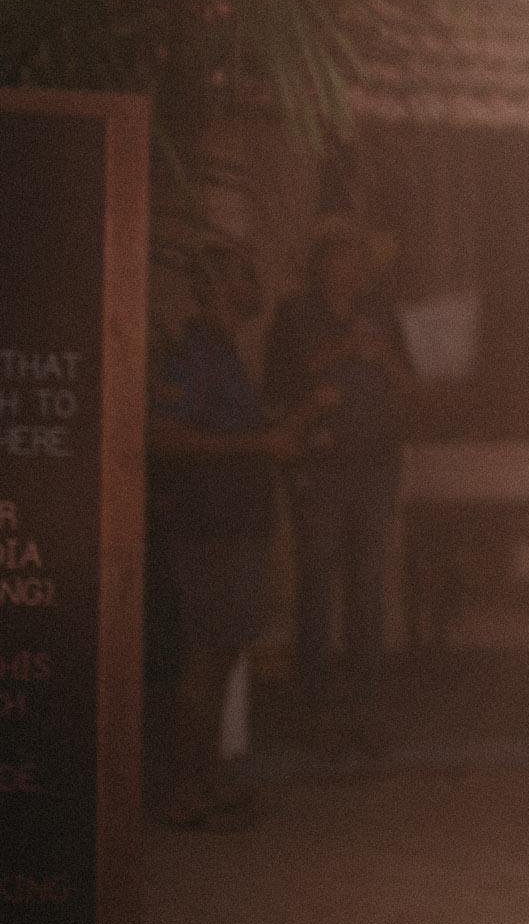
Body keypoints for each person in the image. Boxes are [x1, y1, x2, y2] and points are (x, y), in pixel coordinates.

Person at [146, 241, 318, 829]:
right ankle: (180, 791)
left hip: (236, 523)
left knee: (221, 658)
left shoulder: (226, 354)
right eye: (244, 276)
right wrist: (258, 445)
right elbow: (162, 434)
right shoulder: (194, 355)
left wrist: (284, 425)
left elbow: (236, 431)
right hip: (208, 527)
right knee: (204, 659)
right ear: (216, 285)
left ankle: (204, 783)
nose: (254, 284)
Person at [263, 220, 416, 757]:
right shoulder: (295, 314)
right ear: (320, 262)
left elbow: (409, 383)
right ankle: (319, 708)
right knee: (316, 585)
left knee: (369, 588)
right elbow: (277, 385)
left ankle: (365, 707)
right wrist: (336, 351)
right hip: (320, 468)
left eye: (356, 257)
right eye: (338, 255)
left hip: (375, 465)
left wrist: (384, 358)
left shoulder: (381, 314)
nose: (348, 266)